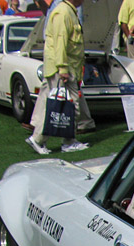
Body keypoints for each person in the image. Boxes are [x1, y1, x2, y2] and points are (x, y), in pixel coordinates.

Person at [26, 0, 89, 154]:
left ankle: (67, 140)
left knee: (59, 104)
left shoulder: (68, 10)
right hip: (63, 68)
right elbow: (60, 41)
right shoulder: (63, 12)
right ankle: (40, 139)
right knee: (63, 105)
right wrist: (63, 68)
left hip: (66, 67)